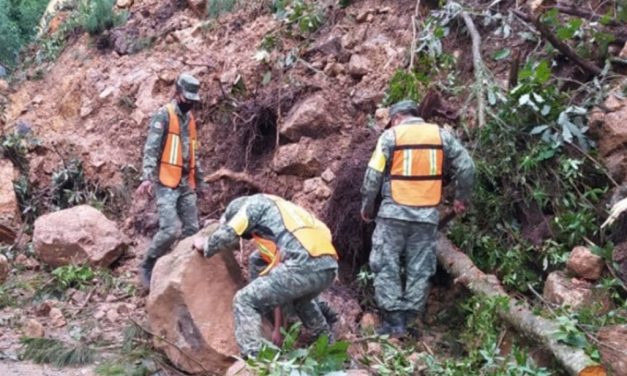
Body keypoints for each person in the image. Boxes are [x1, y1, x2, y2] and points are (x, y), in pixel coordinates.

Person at [360, 99, 475, 337]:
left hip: (394, 213)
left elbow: (373, 176)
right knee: (419, 267)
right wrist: (460, 199)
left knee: (386, 261)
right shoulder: (440, 135)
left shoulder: (391, 137)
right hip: (426, 216)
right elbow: (467, 167)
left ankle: (393, 322)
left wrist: (367, 206)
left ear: (396, 118)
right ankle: (410, 322)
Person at [192, 194, 338, 357]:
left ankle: (255, 363)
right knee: (301, 301)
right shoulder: (284, 208)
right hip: (329, 264)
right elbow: (325, 231)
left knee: (245, 300)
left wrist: (206, 244)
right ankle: (332, 349)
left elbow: (229, 232)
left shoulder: (253, 204)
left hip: (303, 262)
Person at [136, 73, 203, 289]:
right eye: (187, 98)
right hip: (166, 181)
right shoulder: (163, 115)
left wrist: (201, 182)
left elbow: (193, 152)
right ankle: (148, 264)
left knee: (192, 229)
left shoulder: (190, 119)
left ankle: (182, 272)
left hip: (186, 182)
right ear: (178, 93)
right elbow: (151, 148)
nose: (190, 103)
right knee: (170, 230)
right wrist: (147, 177)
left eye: (193, 99)